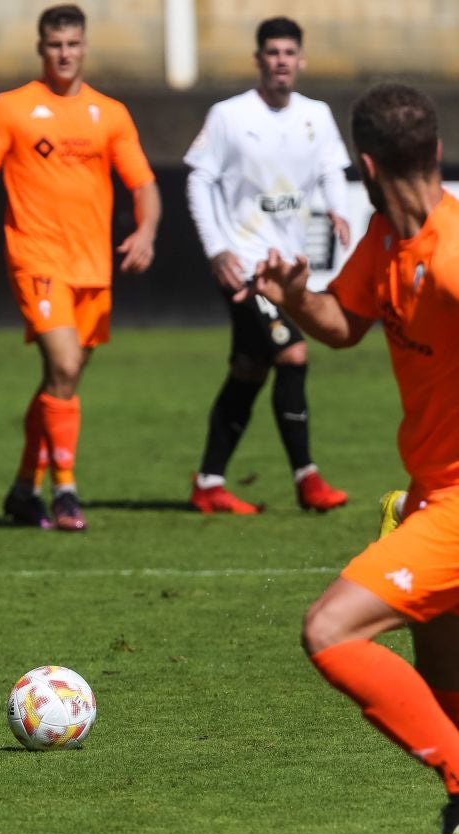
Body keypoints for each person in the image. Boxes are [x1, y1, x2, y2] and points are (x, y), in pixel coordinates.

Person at [252, 82, 459, 834]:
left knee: (330, 630)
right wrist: (297, 297)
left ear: (363, 164)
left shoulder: (447, 260)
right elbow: (344, 324)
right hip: (430, 491)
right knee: (441, 681)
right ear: (433, 152)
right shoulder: (385, 240)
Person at [0, 3, 159, 531]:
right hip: (37, 257)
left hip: (93, 267)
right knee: (65, 366)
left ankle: (22, 489)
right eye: (55, 45)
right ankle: (66, 491)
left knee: (63, 379)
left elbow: (144, 184)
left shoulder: (111, 113)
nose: (65, 54)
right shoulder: (12, 108)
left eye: (73, 44)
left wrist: (144, 231)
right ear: (41, 48)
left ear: (84, 47)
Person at [185, 16, 351, 515]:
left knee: (249, 370)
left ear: (301, 60)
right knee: (292, 355)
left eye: (289, 53)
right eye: (272, 52)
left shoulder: (316, 115)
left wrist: (339, 209)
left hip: (288, 268)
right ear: (259, 59)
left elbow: (331, 169)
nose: (281, 61)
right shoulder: (229, 116)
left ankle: (209, 482)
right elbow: (198, 180)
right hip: (247, 267)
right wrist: (217, 249)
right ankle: (308, 479)